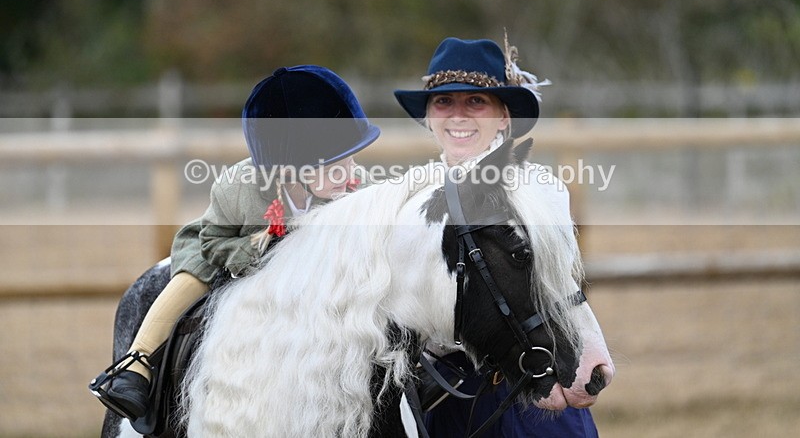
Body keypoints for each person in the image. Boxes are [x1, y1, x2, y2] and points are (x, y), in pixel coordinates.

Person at [92, 65, 380, 421]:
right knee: (189, 279)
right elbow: (213, 241)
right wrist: (261, 250)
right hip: (229, 244)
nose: (352, 174)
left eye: (351, 158)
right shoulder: (238, 188)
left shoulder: (355, 188)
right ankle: (135, 365)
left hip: (308, 267)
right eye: (336, 164)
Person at [394, 37, 598, 437]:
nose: (458, 115)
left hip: (529, 379)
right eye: (444, 102)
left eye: (476, 102)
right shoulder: (411, 199)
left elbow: (552, 289)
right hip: (448, 393)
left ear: (504, 115)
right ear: (428, 117)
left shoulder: (539, 192)